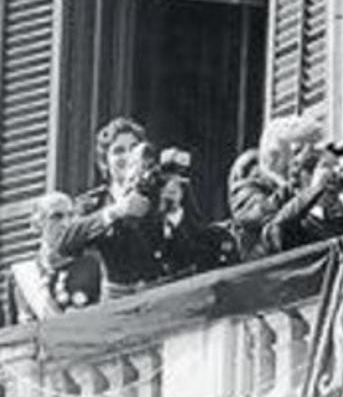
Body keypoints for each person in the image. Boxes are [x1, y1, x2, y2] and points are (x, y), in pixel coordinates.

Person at [52, 117, 200, 300]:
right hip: (117, 304)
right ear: (105, 162)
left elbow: (198, 245)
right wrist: (115, 211)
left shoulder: (165, 190)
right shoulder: (94, 202)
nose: (128, 156)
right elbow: (64, 243)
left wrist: (175, 212)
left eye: (134, 148)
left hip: (165, 298)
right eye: (118, 151)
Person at [228, 114, 343, 258]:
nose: (309, 157)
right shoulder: (248, 192)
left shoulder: (311, 200)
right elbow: (272, 227)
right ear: (276, 156)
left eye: (315, 150)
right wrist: (311, 189)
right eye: (298, 151)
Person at [9, 192, 102, 321]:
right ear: (37, 224)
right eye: (56, 217)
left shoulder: (94, 265)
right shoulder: (22, 276)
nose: (66, 224)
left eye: (71, 216)